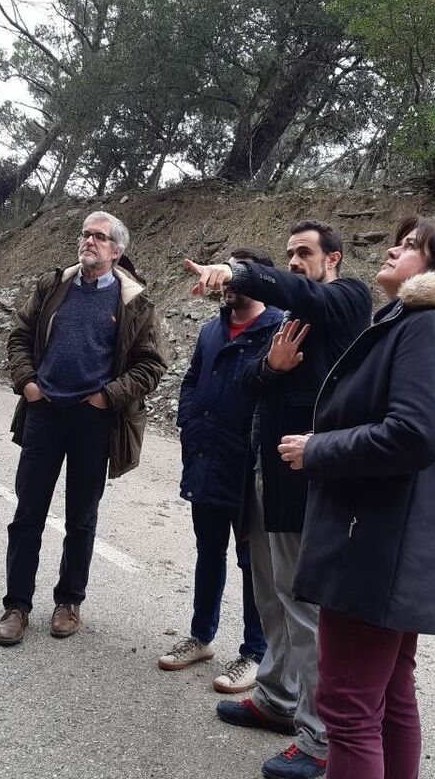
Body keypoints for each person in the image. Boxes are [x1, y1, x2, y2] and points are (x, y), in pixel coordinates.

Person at [278, 215, 435, 779]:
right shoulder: (424, 324)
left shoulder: (430, 327)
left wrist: (319, 449)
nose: (391, 251)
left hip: (374, 544)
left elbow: (413, 434)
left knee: (349, 710)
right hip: (386, 540)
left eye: (410, 246)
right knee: (388, 697)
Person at [185, 221, 372, 779]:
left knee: (303, 607)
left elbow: (302, 293)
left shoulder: (346, 299)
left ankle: (319, 738)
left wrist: (241, 274)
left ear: (333, 259)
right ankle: (276, 699)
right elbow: (246, 380)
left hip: (306, 479)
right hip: (263, 473)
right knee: (269, 594)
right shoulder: (289, 320)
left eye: (304, 252)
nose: (294, 261)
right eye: (288, 252)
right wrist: (272, 365)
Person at [0, 210, 167, 646]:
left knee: (81, 518)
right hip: (45, 414)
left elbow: (151, 365)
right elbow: (19, 336)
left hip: (95, 421)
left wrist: (106, 397)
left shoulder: (135, 303)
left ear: (117, 250)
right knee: (28, 511)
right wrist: (28, 383)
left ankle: (69, 601)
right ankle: (16, 606)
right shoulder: (53, 286)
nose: (88, 241)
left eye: (99, 237)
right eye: (85, 234)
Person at [159, 248, 283, 694]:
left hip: (251, 468)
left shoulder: (279, 329)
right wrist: (188, 423)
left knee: (254, 563)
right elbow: (192, 379)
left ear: (256, 279)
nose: (223, 282)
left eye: (233, 275)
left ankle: (255, 652)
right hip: (208, 460)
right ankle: (201, 637)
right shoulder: (212, 330)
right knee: (207, 551)